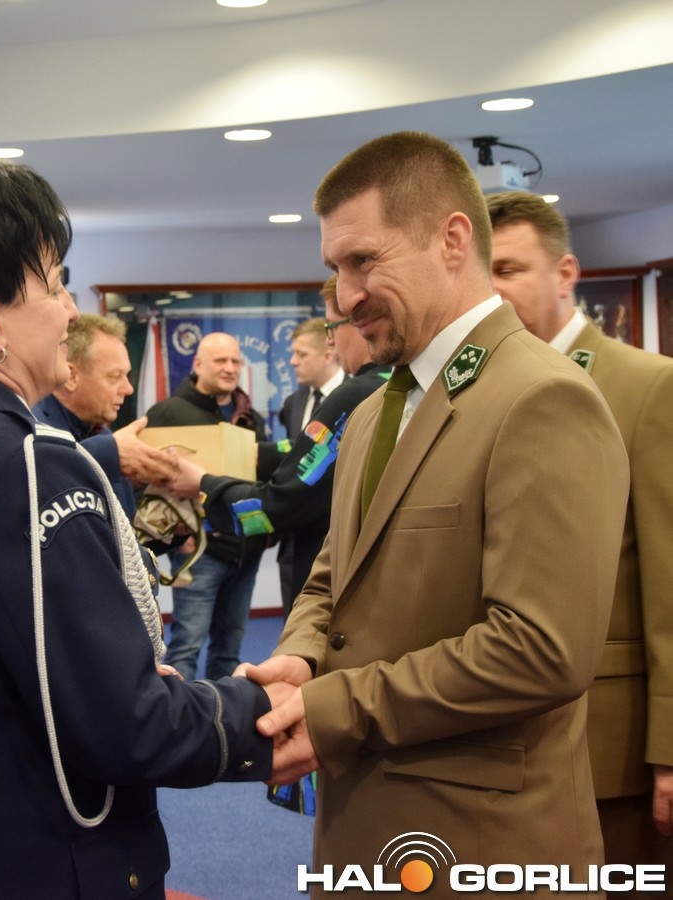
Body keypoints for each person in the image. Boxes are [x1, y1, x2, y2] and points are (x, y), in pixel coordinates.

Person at [0, 155, 289, 900]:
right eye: (52, 283)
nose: (70, 310)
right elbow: (130, 728)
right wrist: (261, 711)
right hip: (31, 865)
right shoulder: (30, 466)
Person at [239, 131, 630, 884]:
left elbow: (539, 650)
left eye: (364, 260)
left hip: (478, 846)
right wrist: (304, 653)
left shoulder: (541, 398)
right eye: (335, 269)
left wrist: (337, 708)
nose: (345, 297)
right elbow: (332, 577)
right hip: (366, 832)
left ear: (452, 240)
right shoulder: (374, 411)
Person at [486, 190, 673, 864]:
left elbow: (669, 580)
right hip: (493, 739)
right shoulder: (474, 391)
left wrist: (670, 749)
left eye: (508, 270)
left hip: (611, 744)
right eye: (480, 274)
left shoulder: (646, 386)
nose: (492, 291)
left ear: (565, 274)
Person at [171, 277, 389, 619]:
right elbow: (309, 451)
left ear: (359, 320)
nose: (331, 340)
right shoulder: (402, 384)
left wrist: (202, 483)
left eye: (331, 327)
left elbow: (278, 503)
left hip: (335, 579)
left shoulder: (353, 396)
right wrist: (260, 453)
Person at [144, 332, 271, 681]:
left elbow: (260, 479)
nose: (230, 368)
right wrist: (172, 536)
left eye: (235, 361)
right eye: (220, 361)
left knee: (229, 651)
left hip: (245, 550)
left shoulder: (250, 417)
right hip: (199, 553)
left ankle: (223, 711)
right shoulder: (168, 413)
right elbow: (142, 482)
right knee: (186, 648)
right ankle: (179, 714)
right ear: (198, 364)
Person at [33, 313, 177, 517]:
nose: (128, 389)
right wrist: (107, 453)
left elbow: (122, 530)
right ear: (71, 377)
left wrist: (165, 524)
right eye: (114, 377)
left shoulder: (104, 436)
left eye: (127, 375)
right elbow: (38, 482)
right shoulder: (31, 427)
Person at [275, 316, 345, 615]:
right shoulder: (292, 403)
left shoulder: (357, 396)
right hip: (292, 544)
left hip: (333, 539)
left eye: (301, 354)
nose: (293, 361)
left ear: (327, 355)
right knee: (292, 624)